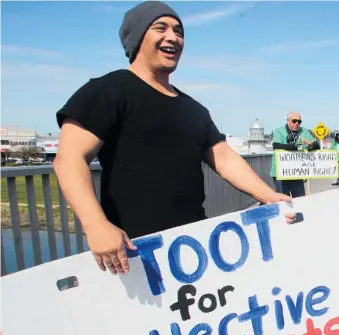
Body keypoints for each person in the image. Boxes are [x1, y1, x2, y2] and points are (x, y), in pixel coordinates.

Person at [53, 1, 296, 276]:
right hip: (132, 253)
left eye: (179, 31)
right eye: (160, 28)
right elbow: (69, 159)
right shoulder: (108, 91)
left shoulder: (193, 108)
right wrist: (95, 225)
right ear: (137, 37)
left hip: (194, 249)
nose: (173, 37)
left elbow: (225, 158)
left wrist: (268, 196)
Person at [270, 111, 319, 197]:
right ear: (288, 121)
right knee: (284, 201)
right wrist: (296, 146)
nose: (297, 123)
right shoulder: (279, 131)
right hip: (281, 173)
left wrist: (310, 145)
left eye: (299, 122)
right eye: (294, 121)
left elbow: (316, 145)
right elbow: (276, 146)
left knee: (300, 199)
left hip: (296, 172)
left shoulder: (304, 132)